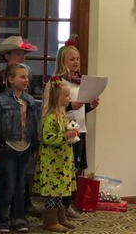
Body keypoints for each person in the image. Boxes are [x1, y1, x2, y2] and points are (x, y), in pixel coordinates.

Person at [0, 36, 40, 218]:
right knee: (3, 178)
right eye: (18, 54)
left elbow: (29, 111)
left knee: (19, 179)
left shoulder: (25, 83)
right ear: (7, 55)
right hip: (6, 138)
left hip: (23, 138)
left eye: (23, 54)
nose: (22, 58)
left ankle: (20, 211)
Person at [54, 34, 99, 219]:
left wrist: (90, 106)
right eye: (71, 59)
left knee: (74, 169)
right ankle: (61, 206)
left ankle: (68, 203)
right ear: (63, 61)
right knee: (65, 169)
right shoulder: (58, 82)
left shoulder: (79, 81)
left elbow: (80, 108)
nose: (76, 62)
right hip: (66, 131)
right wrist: (69, 105)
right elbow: (54, 108)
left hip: (80, 129)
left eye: (77, 59)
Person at [32, 76, 78, 233]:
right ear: (57, 97)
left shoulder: (62, 114)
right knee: (52, 193)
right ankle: (50, 220)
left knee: (60, 191)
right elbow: (48, 138)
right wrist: (65, 136)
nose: (69, 98)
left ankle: (60, 217)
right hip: (52, 162)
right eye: (66, 95)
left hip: (61, 160)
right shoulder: (51, 116)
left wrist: (69, 132)